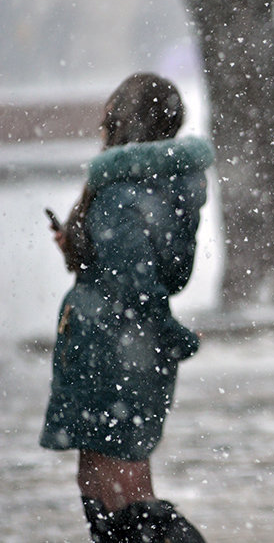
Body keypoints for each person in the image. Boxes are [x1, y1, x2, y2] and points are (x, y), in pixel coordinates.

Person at [40, 73, 214, 543]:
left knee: (122, 488)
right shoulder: (164, 184)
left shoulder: (120, 190)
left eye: (110, 109)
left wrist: (171, 334)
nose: (101, 118)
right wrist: (82, 247)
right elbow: (163, 272)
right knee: (109, 482)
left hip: (115, 350)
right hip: (122, 347)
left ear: (123, 119)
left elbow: (134, 283)